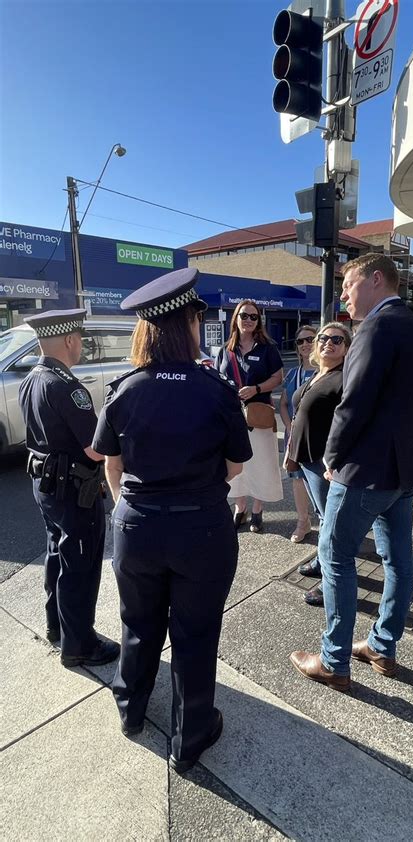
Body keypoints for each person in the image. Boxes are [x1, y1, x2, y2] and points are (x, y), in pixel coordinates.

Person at [92, 267, 252, 773]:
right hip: (201, 528)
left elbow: (111, 467)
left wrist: (130, 509)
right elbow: (235, 465)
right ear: (188, 323)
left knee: (137, 624)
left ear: (145, 328)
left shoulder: (124, 388)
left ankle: (130, 710)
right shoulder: (216, 389)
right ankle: (191, 736)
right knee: (196, 633)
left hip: (136, 525)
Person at [290, 254, 413, 693]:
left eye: (349, 284)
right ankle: (382, 647)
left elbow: (353, 404)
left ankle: (333, 661)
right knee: (398, 561)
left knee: (334, 558)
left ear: (375, 279)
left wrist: (331, 457)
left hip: (365, 471)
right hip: (402, 470)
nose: (344, 295)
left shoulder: (375, 326)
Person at [18, 309, 120, 668]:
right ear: (70, 340)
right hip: (74, 489)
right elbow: (96, 448)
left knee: (57, 557)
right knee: (80, 566)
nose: (82, 346)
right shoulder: (66, 385)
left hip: (46, 487)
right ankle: (80, 646)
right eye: (81, 339)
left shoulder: (33, 377)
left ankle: (58, 628)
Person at [286, 323, 352, 605]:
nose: (329, 343)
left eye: (337, 339)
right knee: (321, 515)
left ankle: (330, 583)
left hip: (323, 461)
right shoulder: (316, 374)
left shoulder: (344, 378)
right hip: (304, 456)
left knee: (330, 521)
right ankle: (321, 561)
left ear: (347, 347)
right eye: (323, 338)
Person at [215, 299, 283, 533]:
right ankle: (240, 507)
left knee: (261, 463)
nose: (249, 320)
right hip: (231, 416)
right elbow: (217, 378)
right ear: (236, 318)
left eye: (254, 317)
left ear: (259, 321)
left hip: (258, 415)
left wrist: (256, 389)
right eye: (244, 315)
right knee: (235, 463)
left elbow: (278, 378)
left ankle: (257, 510)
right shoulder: (226, 349)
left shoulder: (268, 348)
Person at [279, 325, 318, 543]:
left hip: (319, 438)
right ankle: (303, 522)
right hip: (295, 436)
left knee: (322, 480)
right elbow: (283, 404)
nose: (305, 344)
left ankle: (324, 520)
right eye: (300, 341)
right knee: (297, 479)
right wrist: (288, 426)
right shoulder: (293, 373)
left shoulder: (327, 371)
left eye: (310, 339)